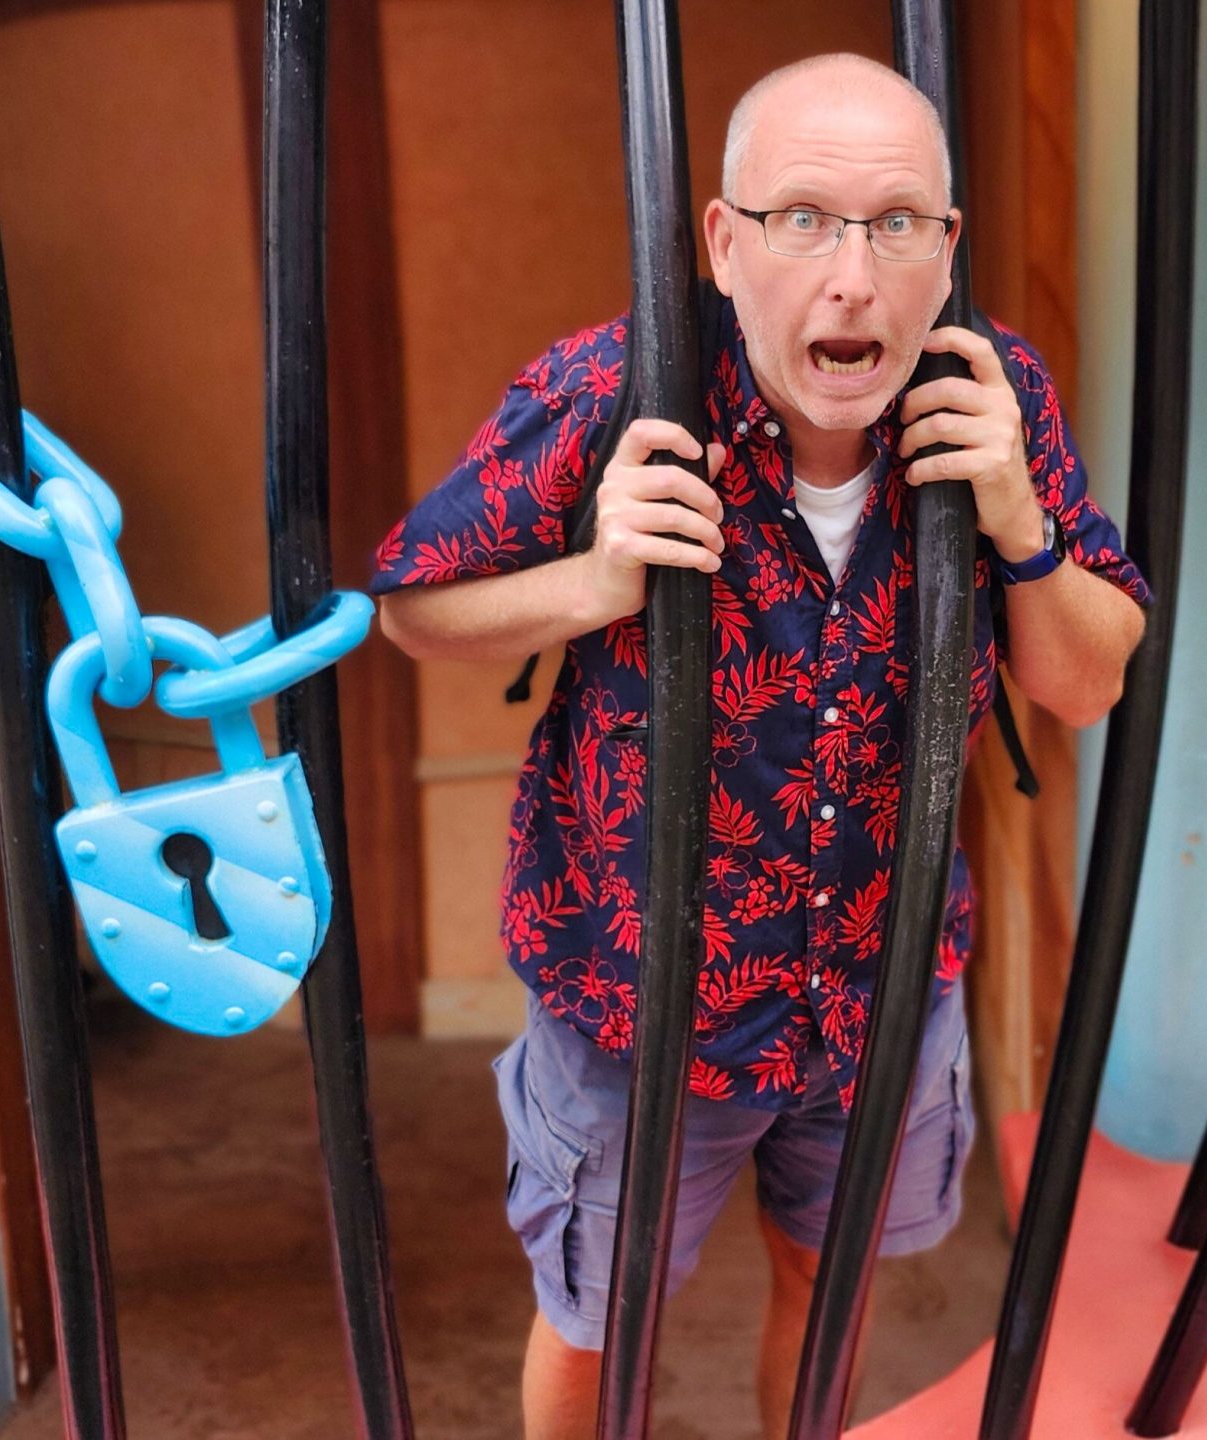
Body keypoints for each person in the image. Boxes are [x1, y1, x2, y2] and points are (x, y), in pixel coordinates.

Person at [372, 51, 1148, 1438]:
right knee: (599, 1321)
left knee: (825, 1282)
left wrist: (1022, 528)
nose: (852, 279)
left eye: (895, 224)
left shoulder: (994, 398)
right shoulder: (618, 385)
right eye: (803, 220)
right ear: (726, 244)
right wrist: (595, 580)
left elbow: (1087, 687)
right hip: (637, 994)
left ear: (945, 248)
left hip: (880, 986)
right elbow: (412, 606)